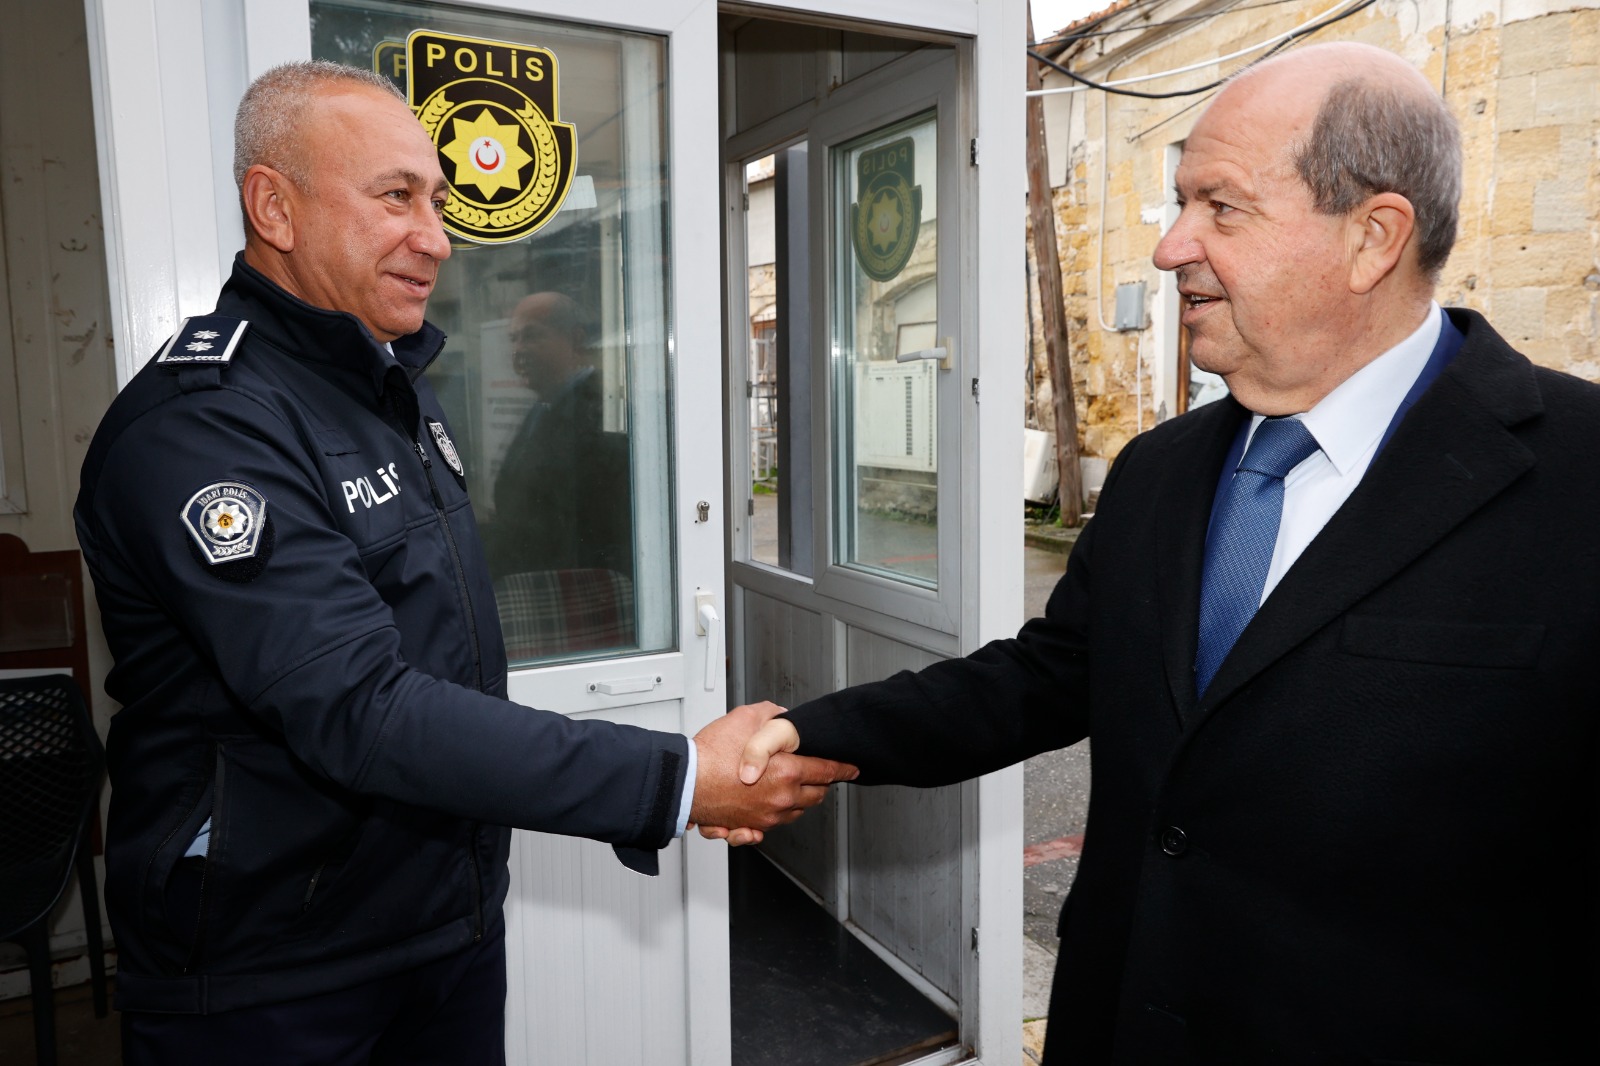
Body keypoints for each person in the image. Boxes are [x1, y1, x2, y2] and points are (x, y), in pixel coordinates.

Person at [721, 42, 1600, 1062]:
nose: (1170, 246)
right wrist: (807, 733)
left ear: (1372, 236)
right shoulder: (1159, 469)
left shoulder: (1578, 478)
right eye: (1181, 203)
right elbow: (1046, 676)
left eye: (1221, 207)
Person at [75, 61, 854, 1064]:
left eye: (438, 202)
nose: (437, 238)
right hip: (274, 971)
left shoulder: (387, 386)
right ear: (274, 207)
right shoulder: (205, 425)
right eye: (396, 196)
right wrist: (673, 780)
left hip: (440, 922)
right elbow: (359, 707)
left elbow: (437, 647)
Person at [485, 291, 633, 584]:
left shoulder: (600, 412)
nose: (518, 350)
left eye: (532, 336)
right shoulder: (545, 405)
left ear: (575, 340)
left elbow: (581, 529)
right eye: (514, 338)